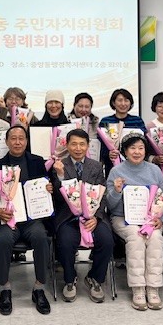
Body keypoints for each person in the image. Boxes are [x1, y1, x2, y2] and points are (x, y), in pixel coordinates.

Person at [0, 125, 53, 316]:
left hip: (32, 219)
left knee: (41, 237)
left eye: (21, 138)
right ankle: (4, 288)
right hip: (9, 219)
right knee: (2, 240)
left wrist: (49, 189)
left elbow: (47, 187)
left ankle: (39, 287)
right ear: (6, 141)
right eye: (13, 138)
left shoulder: (37, 162)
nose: (17, 142)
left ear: (26, 141)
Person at [106, 133, 163, 311]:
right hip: (123, 218)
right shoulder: (116, 171)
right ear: (125, 151)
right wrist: (116, 191)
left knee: (155, 238)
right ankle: (138, 288)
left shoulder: (154, 170)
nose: (137, 152)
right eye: (132, 148)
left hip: (150, 219)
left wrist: (161, 219)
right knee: (136, 237)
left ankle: (153, 287)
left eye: (141, 148)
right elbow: (109, 205)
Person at [51, 129, 113, 303]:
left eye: (82, 144)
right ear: (67, 145)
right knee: (65, 242)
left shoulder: (96, 166)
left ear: (87, 146)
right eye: (74, 144)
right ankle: (70, 279)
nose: (78, 148)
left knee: (107, 240)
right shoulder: (59, 165)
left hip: (93, 216)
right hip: (68, 216)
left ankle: (95, 278)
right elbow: (56, 197)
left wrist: (97, 217)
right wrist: (60, 176)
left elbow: (102, 194)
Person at [99, 89, 146, 176]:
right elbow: (100, 145)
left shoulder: (137, 120)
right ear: (113, 103)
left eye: (126, 100)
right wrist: (108, 154)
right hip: (112, 164)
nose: (123, 104)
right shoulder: (106, 121)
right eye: (120, 100)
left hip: (134, 164)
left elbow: (144, 143)